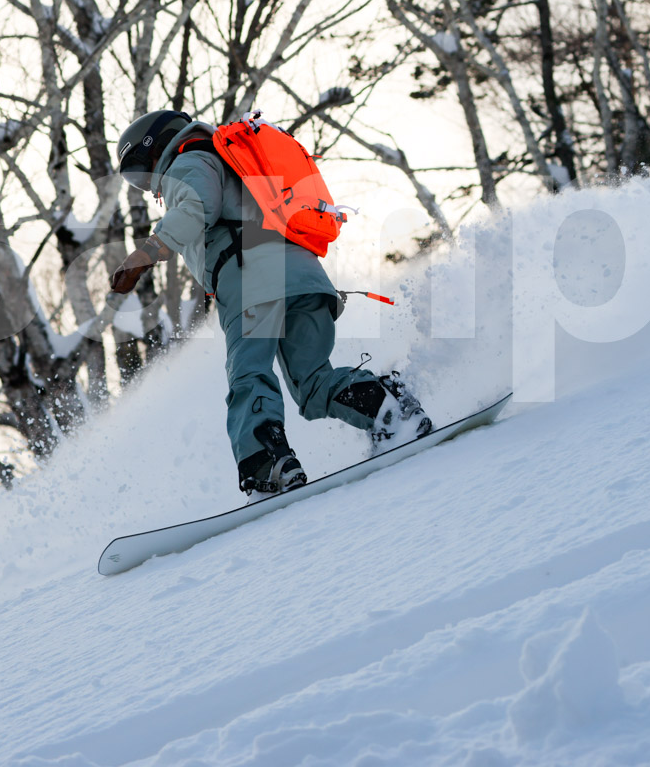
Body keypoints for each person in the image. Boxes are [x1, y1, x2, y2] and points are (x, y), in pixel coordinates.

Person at [109, 110, 432, 496]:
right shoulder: (231, 160)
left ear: (156, 148)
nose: (148, 186)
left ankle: (266, 465)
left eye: (142, 174)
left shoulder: (188, 160)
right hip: (304, 276)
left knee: (249, 375)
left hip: (250, 279)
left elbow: (196, 208)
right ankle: (388, 408)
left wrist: (143, 255)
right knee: (313, 384)